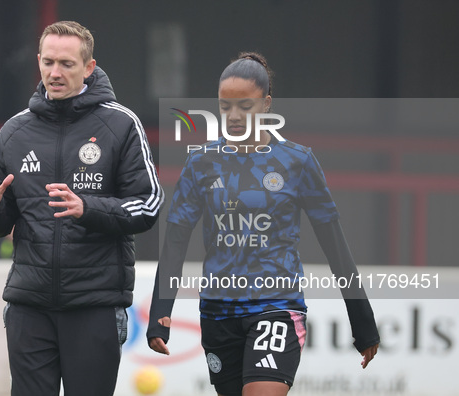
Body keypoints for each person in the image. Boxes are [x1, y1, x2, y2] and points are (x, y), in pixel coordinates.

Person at [147, 52, 379, 396]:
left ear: (267, 104)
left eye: (245, 105)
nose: (235, 116)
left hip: (276, 306)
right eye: (226, 107)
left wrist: (362, 321)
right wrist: (159, 315)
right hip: (217, 312)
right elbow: (175, 243)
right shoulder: (200, 162)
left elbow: (335, 245)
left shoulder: (298, 161)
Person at [0, 20, 163, 396]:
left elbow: (149, 205)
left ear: (89, 68)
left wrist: (87, 208)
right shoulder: (14, 131)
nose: (54, 73)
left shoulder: (121, 125)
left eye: (67, 64)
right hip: (29, 304)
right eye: (48, 62)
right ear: (39, 62)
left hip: (95, 304)